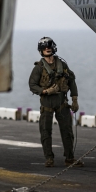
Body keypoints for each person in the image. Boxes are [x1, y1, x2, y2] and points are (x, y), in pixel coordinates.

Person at [29, 37, 84, 168]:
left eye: (48, 46)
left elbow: (72, 81)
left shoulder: (62, 65)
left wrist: (75, 99)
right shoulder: (39, 68)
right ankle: (49, 158)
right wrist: (46, 91)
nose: (47, 49)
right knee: (45, 131)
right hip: (47, 103)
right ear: (40, 50)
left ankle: (69, 158)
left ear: (53, 47)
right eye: (44, 47)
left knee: (67, 131)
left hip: (62, 102)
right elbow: (32, 85)